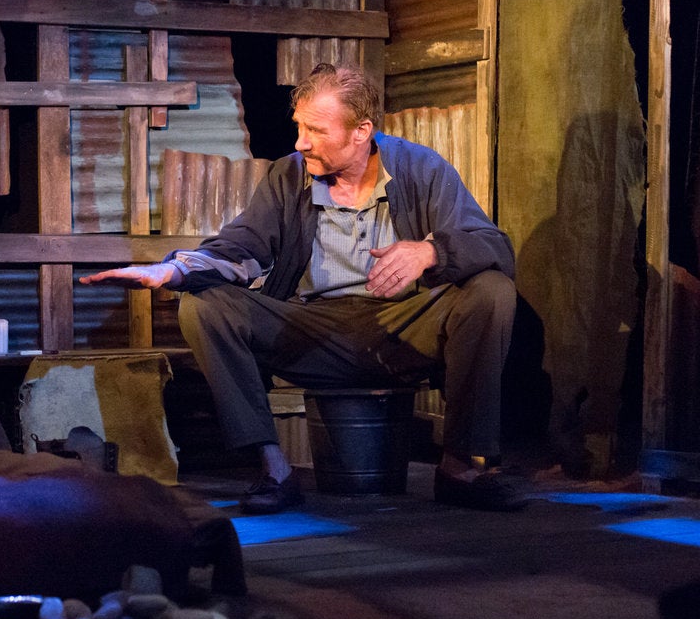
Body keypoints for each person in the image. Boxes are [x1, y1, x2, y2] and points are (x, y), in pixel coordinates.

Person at [82, 63, 521, 514]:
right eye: (299, 127)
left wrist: (429, 253)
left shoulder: (419, 169)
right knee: (205, 307)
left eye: (315, 129)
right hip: (312, 333)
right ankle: (273, 469)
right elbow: (244, 247)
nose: (300, 142)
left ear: (360, 131)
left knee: (491, 291)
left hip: (403, 328)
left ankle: (460, 466)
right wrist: (174, 272)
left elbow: (494, 247)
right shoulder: (288, 176)